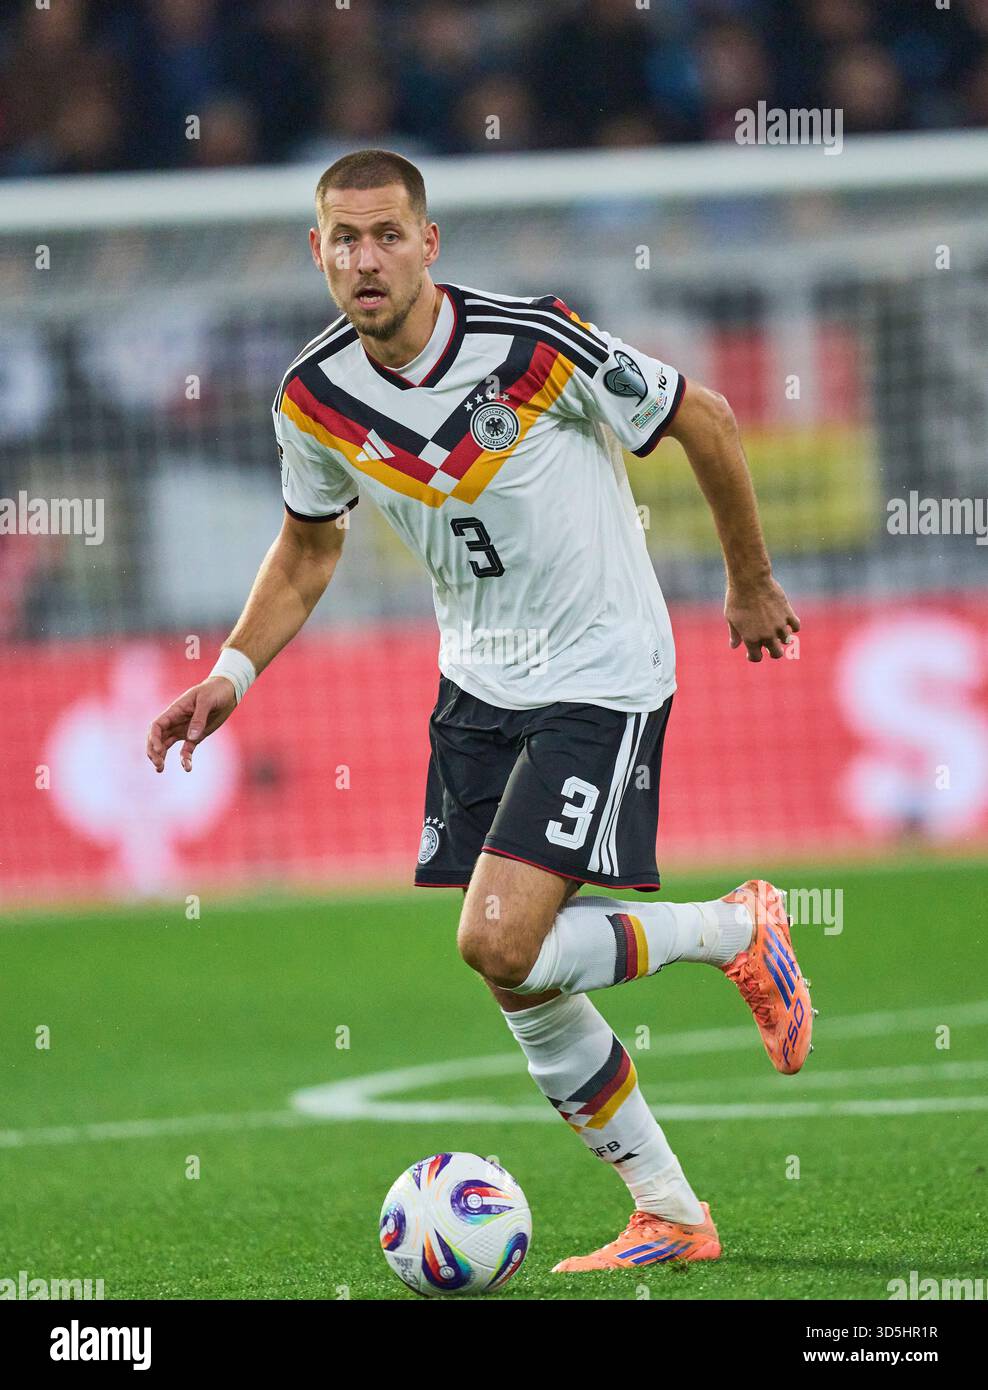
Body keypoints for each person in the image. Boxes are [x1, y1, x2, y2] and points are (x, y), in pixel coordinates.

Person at [146, 149, 813, 1274]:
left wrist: (748, 580)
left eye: (387, 235)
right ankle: (671, 1210)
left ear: (428, 243)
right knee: (512, 966)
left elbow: (706, 417)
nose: (366, 259)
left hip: (599, 668)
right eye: (343, 240)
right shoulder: (312, 394)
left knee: (496, 937)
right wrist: (232, 672)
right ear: (316, 253)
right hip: (476, 684)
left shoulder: (531, 342)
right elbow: (312, 545)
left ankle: (736, 931)